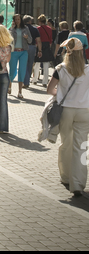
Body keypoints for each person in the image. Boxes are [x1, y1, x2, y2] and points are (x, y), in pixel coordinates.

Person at [47, 37, 89, 197]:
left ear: (67, 52)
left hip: (66, 111)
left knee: (66, 144)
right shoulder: (88, 69)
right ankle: (78, 184)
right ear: (82, 53)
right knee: (81, 147)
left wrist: (63, 94)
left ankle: (65, 177)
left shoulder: (61, 69)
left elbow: (50, 90)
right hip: (84, 111)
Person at [8, 14, 32, 98]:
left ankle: (20, 91)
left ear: (21, 20)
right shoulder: (11, 29)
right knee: (12, 70)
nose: (17, 21)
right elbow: (8, 39)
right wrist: (11, 28)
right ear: (14, 20)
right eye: (16, 19)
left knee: (22, 71)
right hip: (14, 52)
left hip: (23, 52)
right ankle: (9, 86)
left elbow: (30, 40)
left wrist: (27, 37)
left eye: (19, 19)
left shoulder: (26, 28)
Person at [32, 14, 54, 87]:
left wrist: (37, 48)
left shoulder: (38, 29)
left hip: (40, 46)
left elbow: (37, 40)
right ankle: (45, 82)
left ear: (39, 21)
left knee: (37, 64)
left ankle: (35, 79)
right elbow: (50, 40)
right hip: (47, 46)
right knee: (46, 65)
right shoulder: (49, 29)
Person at [23, 15, 42, 89]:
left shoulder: (22, 29)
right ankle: (27, 81)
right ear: (30, 21)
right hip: (32, 47)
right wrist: (40, 50)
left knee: (23, 64)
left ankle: (25, 81)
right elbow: (39, 40)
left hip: (23, 47)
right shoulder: (35, 29)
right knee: (30, 64)